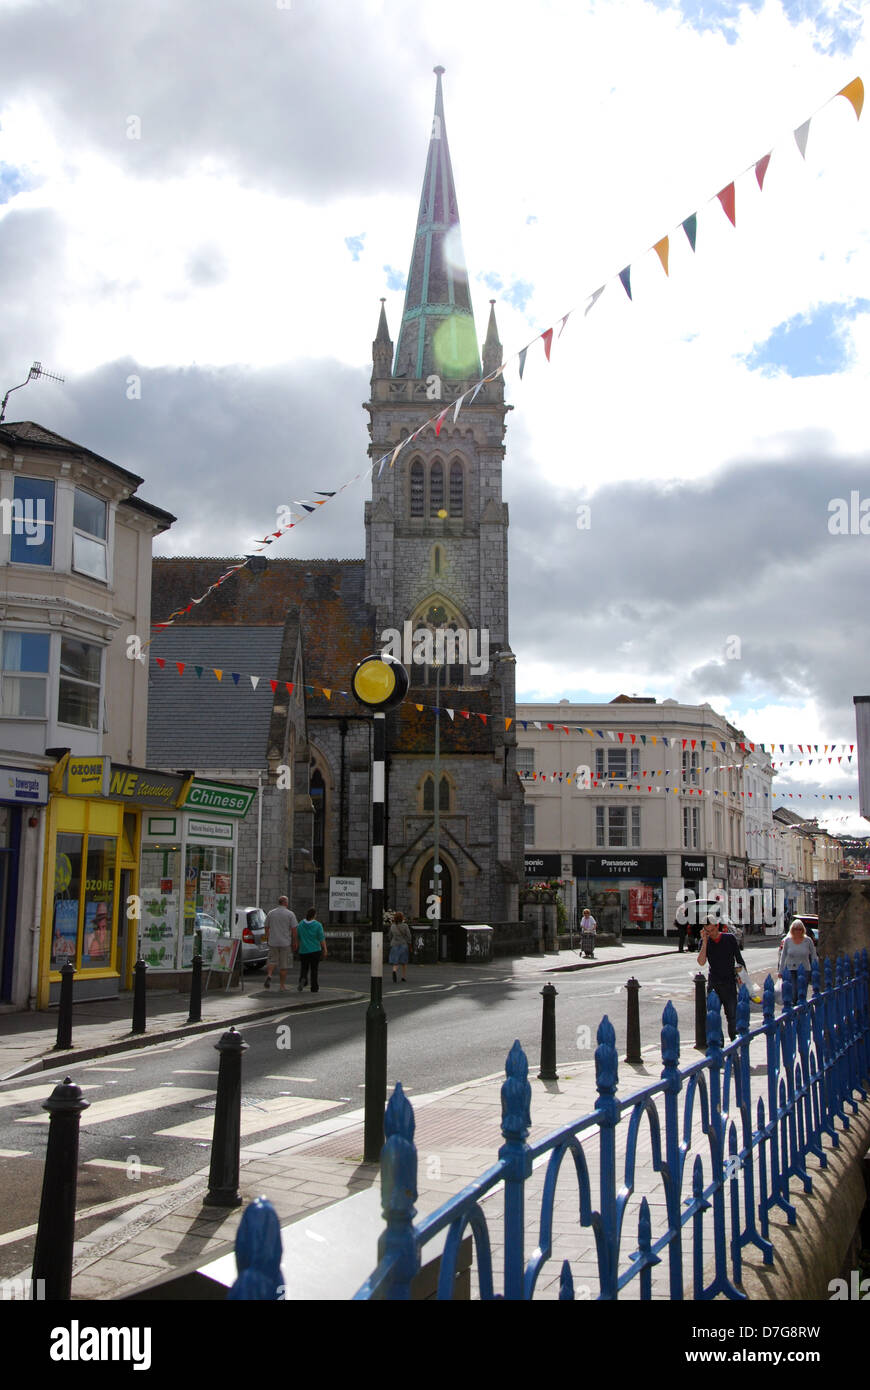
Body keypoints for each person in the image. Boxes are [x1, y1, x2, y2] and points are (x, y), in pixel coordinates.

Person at [697, 913, 746, 1042]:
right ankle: (719, 1043)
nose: (710, 933)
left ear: (717, 926)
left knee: (732, 1015)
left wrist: (744, 978)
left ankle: (734, 1041)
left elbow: (739, 959)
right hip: (714, 983)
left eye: (712, 929)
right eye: (707, 931)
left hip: (729, 982)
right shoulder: (705, 942)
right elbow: (701, 962)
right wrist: (705, 942)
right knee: (713, 1014)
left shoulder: (729, 939)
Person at [263, 895, 298, 992]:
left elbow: (266, 926)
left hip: (273, 941)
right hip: (285, 942)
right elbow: (294, 929)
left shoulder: (271, 913)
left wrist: (267, 937)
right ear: (285, 903)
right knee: (283, 965)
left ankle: (269, 975)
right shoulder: (290, 914)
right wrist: (295, 942)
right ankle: (282, 986)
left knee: (272, 961)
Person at [778, 919, 818, 997]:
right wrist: (781, 971)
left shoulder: (808, 940)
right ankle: (795, 1006)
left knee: (802, 991)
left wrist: (815, 968)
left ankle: (802, 1007)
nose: (797, 931)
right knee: (794, 992)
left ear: (803, 930)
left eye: (800, 929)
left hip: (805, 969)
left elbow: (813, 955)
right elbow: (783, 956)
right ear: (792, 930)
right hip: (791, 969)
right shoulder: (788, 940)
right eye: (795, 929)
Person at [296, 907, 327, 992]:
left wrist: (297, 946)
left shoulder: (300, 924)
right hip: (315, 950)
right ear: (314, 915)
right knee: (314, 969)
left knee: (304, 968)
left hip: (303, 950)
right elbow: (321, 938)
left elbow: (298, 937)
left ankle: (303, 980)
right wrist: (325, 949)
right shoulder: (318, 925)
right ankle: (314, 987)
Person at [388, 911, 412, 984]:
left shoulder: (392, 926)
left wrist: (391, 941)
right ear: (402, 918)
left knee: (395, 961)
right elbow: (409, 935)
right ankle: (403, 977)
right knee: (403, 962)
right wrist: (409, 942)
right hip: (403, 944)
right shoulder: (405, 926)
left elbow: (389, 935)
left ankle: (394, 970)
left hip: (394, 944)